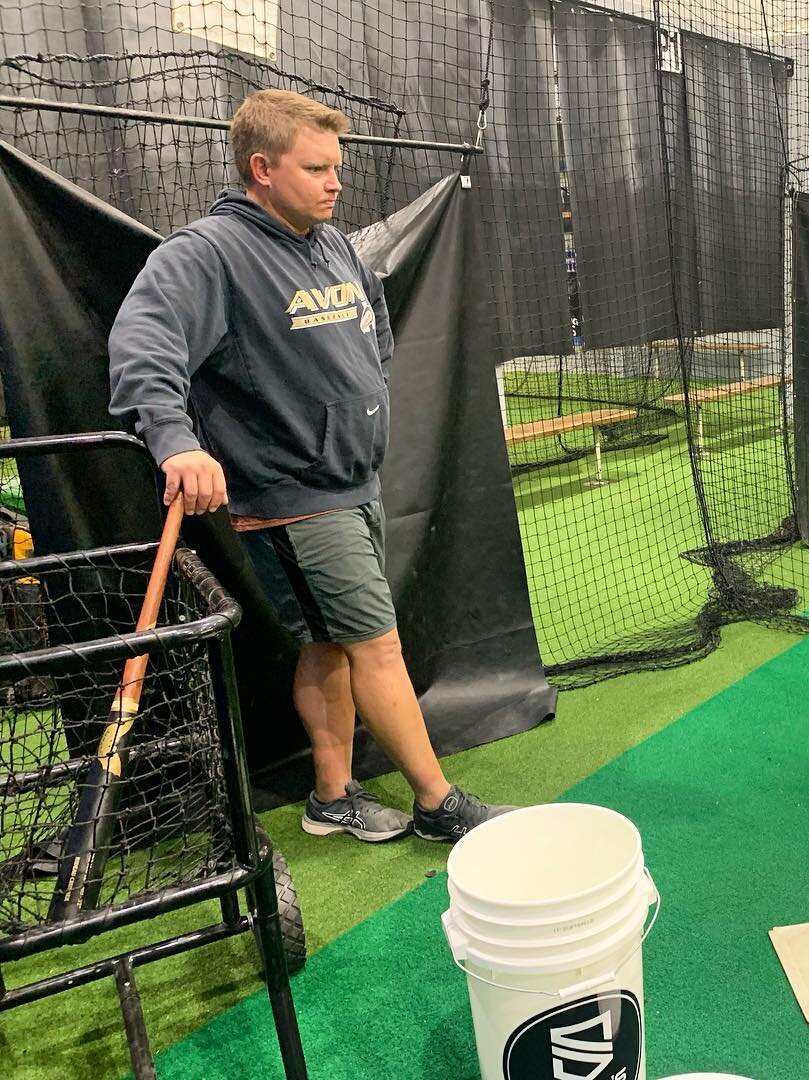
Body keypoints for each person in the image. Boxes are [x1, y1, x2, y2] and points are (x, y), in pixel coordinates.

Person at [108, 89, 512, 843]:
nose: (335, 183)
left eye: (337, 167)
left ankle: (332, 797)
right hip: (292, 497)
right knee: (375, 647)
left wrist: (356, 404)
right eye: (317, 167)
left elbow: (372, 325)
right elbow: (142, 348)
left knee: (328, 643)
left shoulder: (332, 243)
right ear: (262, 168)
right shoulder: (207, 254)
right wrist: (178, 440)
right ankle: (437, 804)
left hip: (352, 481)